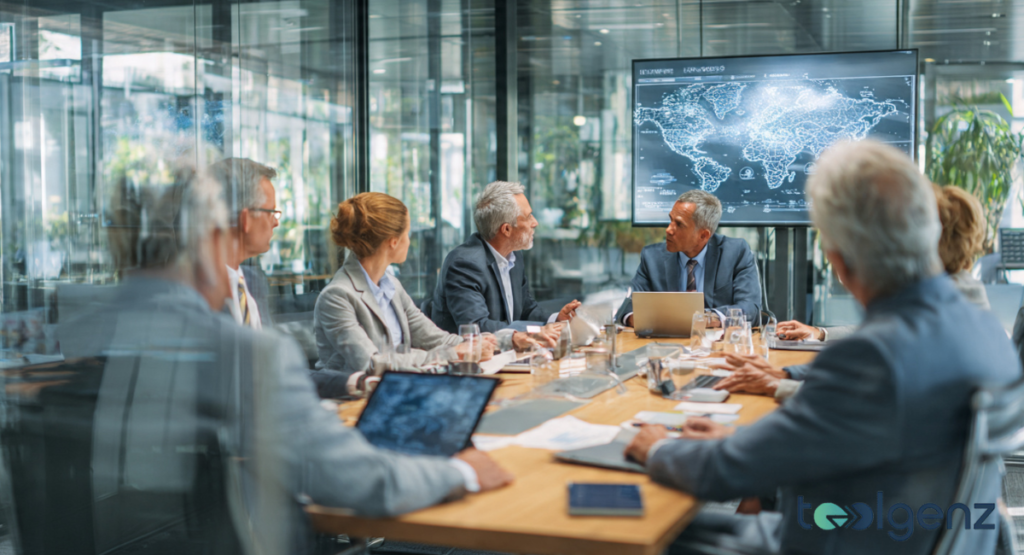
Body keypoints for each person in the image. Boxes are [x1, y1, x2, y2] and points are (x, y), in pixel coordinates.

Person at [56, 170, 513, 554]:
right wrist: (461, 471)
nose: (274, 225)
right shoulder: (247, 352)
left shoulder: (82, 337)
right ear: (221, 236)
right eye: (271, 214)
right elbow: (355, 481)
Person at [624, 140, 1019, 555]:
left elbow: (724, 474)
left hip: (845, 541)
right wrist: (743, 440)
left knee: (644, 532)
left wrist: (661, 447)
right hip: (913, 530)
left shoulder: (875, 355)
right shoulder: (982, 330)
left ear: (840, 261)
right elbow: (859, 434)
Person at [313, 193, 504, 397]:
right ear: (393, 241)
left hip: (400, 392)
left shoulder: (391, 285)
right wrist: (454, 353)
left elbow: (433, 337)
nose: (410, 240)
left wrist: (478, 344)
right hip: (354, 403)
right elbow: (372, 364)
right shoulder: (337, 296)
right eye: (408, 232)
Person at [777, 183, 990, 343]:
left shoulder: (932, 304)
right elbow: (880, 330)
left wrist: (782, 383)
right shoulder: (965, 293)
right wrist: (821, 334)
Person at [431, 181, 580, 343]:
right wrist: (535, 331)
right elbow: (477, 327)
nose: (535, 222)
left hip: (507, 357)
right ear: (506, 229)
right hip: (469, 362)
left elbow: (526, 309)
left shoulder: (514, 256)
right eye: (528, 216)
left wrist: (555, 319)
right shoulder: (464, 264)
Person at [614, 189, 761, 327]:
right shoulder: (652, 257)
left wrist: (705, 319)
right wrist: (648, 320)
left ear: (703, 235)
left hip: (717, 346)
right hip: (665, 346)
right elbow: (628, 306)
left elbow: (750, 309)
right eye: (670, 220)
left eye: (679, 224)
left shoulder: (736, 253)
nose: (669, 230)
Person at [208, 158, 280, 329]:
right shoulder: (201, 290)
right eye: (271, 212)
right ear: (246, 218)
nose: (276, 222)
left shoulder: (253, 282)